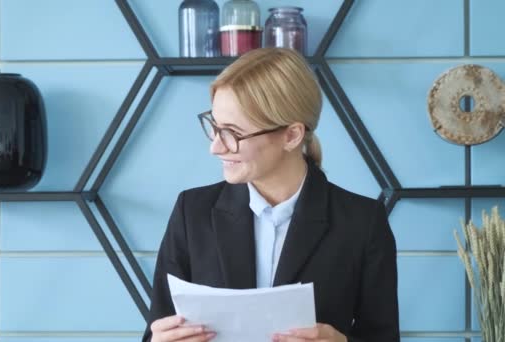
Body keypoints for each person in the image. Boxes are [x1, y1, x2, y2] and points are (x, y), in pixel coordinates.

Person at [142, 48, 399, 342]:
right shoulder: (192, 212)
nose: (215, 147)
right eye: (215, 126)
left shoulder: (362, 223)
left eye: (233, 132)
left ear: (291, 135)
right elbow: (157, 329)